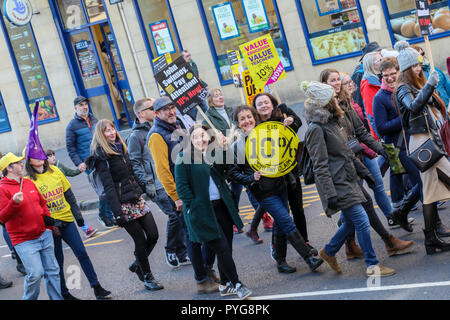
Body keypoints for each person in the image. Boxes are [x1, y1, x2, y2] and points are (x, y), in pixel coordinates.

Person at [301, 81, 395, 277]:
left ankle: (329, 251)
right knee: (361, 220)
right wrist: (329, 194)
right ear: (324, 103)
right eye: (332, 98)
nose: (337, 99)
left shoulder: (333, 122)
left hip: (348, 178)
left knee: (352, 222)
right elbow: (320, 164)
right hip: (337, 184)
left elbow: (347, 153)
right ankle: (372, 265)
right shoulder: (315, 129)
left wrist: (365, 173)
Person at [320, 69, 414, 258]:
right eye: (332, 81)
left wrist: (382, 150)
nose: (337, 83)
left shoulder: (346, 103)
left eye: (338, 80)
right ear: (324, 84)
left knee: (357, 210)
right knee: (359, 210)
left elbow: (361, 133)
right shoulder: (322, 113)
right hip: (340, 169)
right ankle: (374, 251)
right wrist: (329, 191)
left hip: (355, 161)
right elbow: (320, 158)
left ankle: (341, 249)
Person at [229, 105, 324, 274]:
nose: (247, 121)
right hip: (263, 192)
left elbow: (288, 143)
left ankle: (280, 260)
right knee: (286, 220)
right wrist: (251, 178)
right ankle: (309, 257)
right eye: (242, 119)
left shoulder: (268, 133)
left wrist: (286, 124)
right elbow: (233, 173)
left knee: (281, 224)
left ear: (254, 118)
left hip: (280, 185)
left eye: (249, 117)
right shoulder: (236, 147)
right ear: (237, 123)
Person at [148, 97, 219, 293]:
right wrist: (176, 197)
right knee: (193, 237)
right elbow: (163, 171)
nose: (171, 112)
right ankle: (201, 279)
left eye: (172, 107)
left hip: (196, 187)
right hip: (181, 194)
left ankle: (206, 269)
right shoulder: (156, 135)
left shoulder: (178, 125)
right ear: (157, 114)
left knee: (208, 231)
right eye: (165, 110)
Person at [175, 124, 252, 300]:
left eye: (203, 135)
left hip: (222, 207)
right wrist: (194, 207)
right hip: (203, 211)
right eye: (195, 137)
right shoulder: (183, 158)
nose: (200, 139)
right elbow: (182, 189)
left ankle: (225, 285)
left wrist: (224, 147)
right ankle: (237, 284)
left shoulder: (213, 153)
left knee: (227, 249)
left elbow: (228, 167)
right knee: (222, 248)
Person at [86, 119, 163, 291]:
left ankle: (138, 264)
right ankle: (147, 277)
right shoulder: (101, 156)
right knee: (140, 241)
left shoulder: (121, 147)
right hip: (122, 204)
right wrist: (117, 213)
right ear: (101, 135)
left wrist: (141, 186)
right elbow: (108, 187)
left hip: (135, 197)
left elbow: (130, 173)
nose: (112, 132)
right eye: (107, 131)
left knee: (153, 235)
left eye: (112, 128)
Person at [25, 156, 112, 300]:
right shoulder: (28, 181)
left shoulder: (56, 171)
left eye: (41, 154)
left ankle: (97, 287)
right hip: (50, 226)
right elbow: (33, 207)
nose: (40, 158)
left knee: (82, 252)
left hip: (66, 219)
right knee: (57, 262)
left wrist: (78, 216)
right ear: (29, 161)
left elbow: (69, 195)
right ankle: (64, 293)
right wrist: (48, 224)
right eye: (35, 156)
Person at [393, 41, 450, 254]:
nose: (420, 68)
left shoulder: (415, 84)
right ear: (407, 67)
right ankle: (430, 239)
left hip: (429, 140)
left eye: (420, 64)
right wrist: (429, 86)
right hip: (422, 142)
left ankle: (431, 239)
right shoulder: (402, 88)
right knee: (430, 191)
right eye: (415, 65)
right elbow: (413, 107)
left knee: (429, 193)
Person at [252, 92, 317, 271]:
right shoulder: (254, 126)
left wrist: (288, 119)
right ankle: (278, 253)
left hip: (290, 174)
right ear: (256, 109)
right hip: (271, 181)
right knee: (282, 218)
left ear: (272, 104)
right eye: (260, 104)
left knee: (298, 210)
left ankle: (305, 243)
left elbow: (298, 124)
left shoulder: (283, 115)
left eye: (267, 102)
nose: (264, 106)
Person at [127, 98, 189, 269]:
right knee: (175, 216)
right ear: (142, 113)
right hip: (157, 183)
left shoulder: (166, 126)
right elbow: (135, 162)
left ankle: (182, 252)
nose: (156, 109)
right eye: (151, 107)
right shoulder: (136, 135)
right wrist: (148, 184)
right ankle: (170, 249)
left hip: (168, 180)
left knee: (179, 217)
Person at [0, 152, 62, 300]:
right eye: (18, 163)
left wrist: (48, 224)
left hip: (44, 234)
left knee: (53, 270)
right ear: (9, 168)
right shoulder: (2, 189)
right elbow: (2, 217)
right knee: (35, 274)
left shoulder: (27, 182)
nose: (22, 164)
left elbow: (42, 203)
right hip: (24, 240)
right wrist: (13, 203)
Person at [66, 96, 115, 228]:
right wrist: (79, 163)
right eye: (81, 105)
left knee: (109, 187)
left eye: (85, 104)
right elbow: (70, 148)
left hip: (102, 158)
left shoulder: (94, 120)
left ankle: (109, 215)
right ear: (76, 108)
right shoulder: (72, 126)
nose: (84, 107)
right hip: (88, 163)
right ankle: (104, 216)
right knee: (103, 190)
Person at [45, 149, 98, 239]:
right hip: (54, 198)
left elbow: (70, 172)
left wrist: (79, 170)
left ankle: (86, 229)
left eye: (53, 155)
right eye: (49, 156)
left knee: (75, 210)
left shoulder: (58, 165)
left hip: (65, 193)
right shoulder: (44, 172)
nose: (53, 157)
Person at [351, 42, 381, 113]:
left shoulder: (379, 69)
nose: (380, 56)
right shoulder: (359, 74)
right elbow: (357, 98)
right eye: (377, 53)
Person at [361, 51, 383, 140]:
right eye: (380, 60)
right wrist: (380, 137)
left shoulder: (380, 78)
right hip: (381, 132)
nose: (383, 61)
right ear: (371, 65)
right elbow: (371, 113)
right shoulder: (368, 84)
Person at [181, 50, 208, 119]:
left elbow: (197, 77)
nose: (189, 57)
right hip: (189, 93)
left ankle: (211, 122)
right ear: (183, 58)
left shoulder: (193, 64)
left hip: (198, 90)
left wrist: (204, 86)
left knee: (205, 107)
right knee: (193, 112)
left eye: (189, 55)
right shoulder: (181, 68)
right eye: (187, 56)